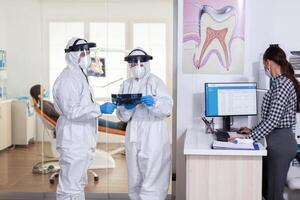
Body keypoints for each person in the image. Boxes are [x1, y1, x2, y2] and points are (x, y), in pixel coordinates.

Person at [52, 37, 116, 200]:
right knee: (70, 187)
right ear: (73, 54)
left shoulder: (79, 75)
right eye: (84, 52)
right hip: (74, 138)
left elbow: (82, 105)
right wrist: (99, 109)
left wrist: (98, 108)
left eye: (88, 51)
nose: (87, 55)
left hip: (81, 138)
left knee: (77, 183)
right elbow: (72, 111)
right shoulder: (68, 79)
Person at [237, 45, 298, 200]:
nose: (265, 68)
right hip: (275, 141)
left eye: (265, 65)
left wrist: (247, 140)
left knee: (274, 195)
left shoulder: (282, 84)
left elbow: (272, 120)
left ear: (268, 62)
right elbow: (269, 119)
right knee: (266, 191)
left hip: (281, 144)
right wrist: (252, 131)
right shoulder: (278, 84)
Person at [116, 47, 173, 200]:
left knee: (153, 174)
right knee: (134, 176)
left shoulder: (156, 82)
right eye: (133, 64)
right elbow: (122, 115)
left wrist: (154, 104)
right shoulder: (126, 84)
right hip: (133, 133)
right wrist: (127, 109)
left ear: (147, 63)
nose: (136, 67)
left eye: (140, 63)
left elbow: (167, 109)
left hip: (153, 133)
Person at [30, 84, 126, 132]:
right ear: (39, 95)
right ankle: (118, 126)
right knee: (93, 119)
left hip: (68, 118)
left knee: (94, 117)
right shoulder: (44, 105)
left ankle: (118, 125)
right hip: (68, 121)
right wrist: (71, 111)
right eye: (43, 90)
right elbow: (57, 113)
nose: (45, 91)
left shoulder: (44, 103)